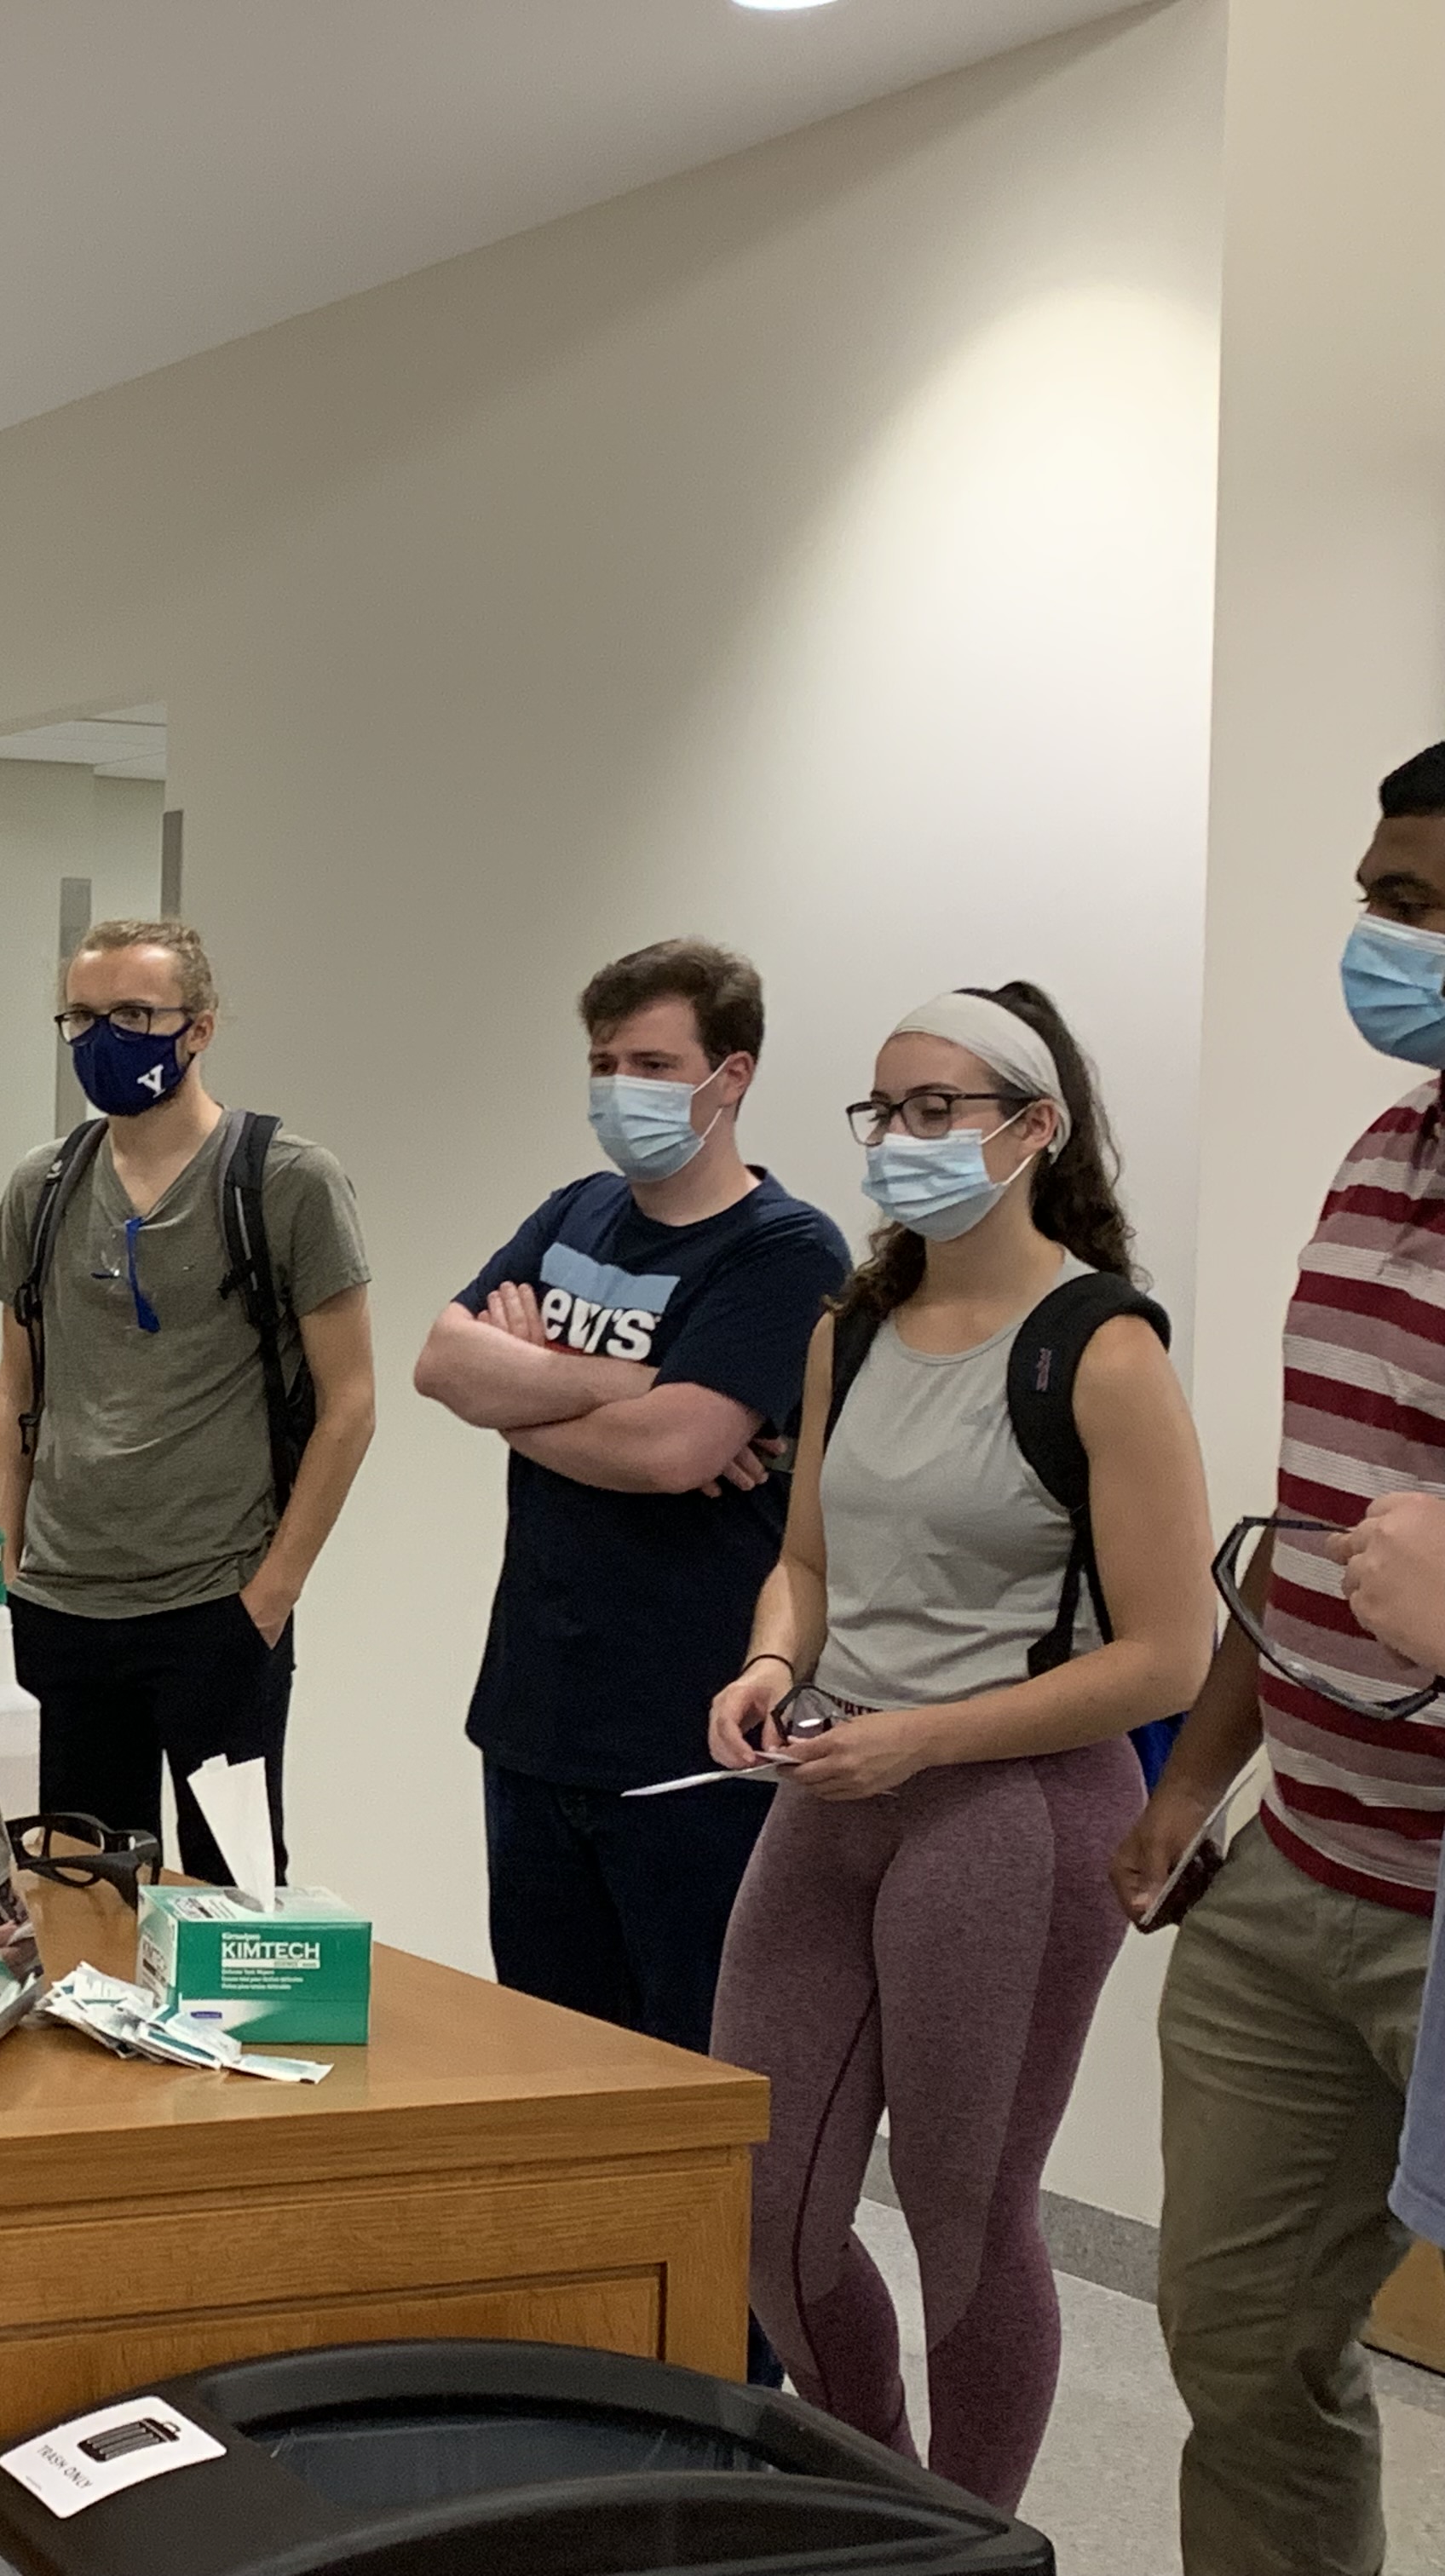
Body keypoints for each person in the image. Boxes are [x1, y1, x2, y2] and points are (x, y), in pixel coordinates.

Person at [706, 982, 1214, 2514]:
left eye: (940, 1108)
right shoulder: (846, 1330)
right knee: (765, 2193)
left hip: (1016, 1808)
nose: (903, 1139)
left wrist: (922, 1736)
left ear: (1032, 1127)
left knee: (961, 2204)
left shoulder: (1101, 1348)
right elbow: (804, 1552)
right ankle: (873, 2494)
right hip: (839, 1780)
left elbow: (1166, 1651)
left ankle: (963, 2536)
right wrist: (771, 1657)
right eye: (885, 1110)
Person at [1125, 739, 1445, 2576]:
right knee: (1240, 2348)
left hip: (1442, 1897)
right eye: (1375, 898)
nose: (1372, 943)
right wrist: (1191, 1780)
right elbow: (1313, 1507)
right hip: (1296, 1863)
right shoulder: (1387, 1144)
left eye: (1411, 909)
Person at [414, 938, 850, 2065]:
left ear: (732, 1075)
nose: (621, 1090)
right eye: (604, 1062)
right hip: (534, 1717)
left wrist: (526, 1390)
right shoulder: (577, 1213)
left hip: (691, 1735)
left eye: (654, 1064)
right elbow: (441, 1364)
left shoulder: (785, 1250)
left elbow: (673, 1456)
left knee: (688, 2069)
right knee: (552, 2065)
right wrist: (633, 1386)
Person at [0, 917, 375, 1885]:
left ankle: (230, 2046)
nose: (104, 1036)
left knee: (231, 1893)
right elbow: (14, 1390)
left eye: (134, 1014)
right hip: (63, 1608)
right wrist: (8, 1565)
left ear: (198, 1029)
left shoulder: (284, 1182)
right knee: (78, 1886)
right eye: (81, 1015)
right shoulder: (44, 1184)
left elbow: (351, 1402)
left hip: (215, 1606)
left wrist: (271, 1595)